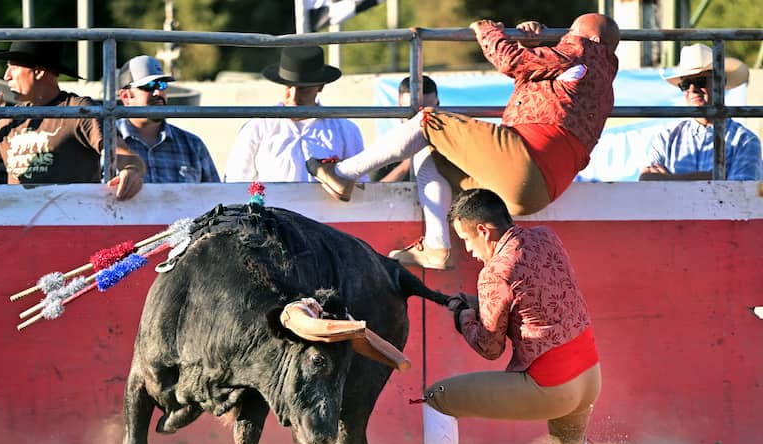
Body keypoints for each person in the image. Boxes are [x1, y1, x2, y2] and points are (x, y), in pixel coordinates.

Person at [307, 13, 620, 268]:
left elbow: (508, 61)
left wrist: (489, 30)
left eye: (571, 33)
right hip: (539, 191)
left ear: (591, 39)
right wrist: (533, 46)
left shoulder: (582, 51)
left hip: (525, 160)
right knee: (433, 157)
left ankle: (342, 175)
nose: (564, 38)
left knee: (431, 120)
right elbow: (541, 89)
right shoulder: (600, 80)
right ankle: (435, 247)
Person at [421, 188, 601, 444]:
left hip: (552, 386)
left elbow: (489, 347)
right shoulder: (547, 237)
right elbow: (530, 302)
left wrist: (464, 318)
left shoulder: (493, 273)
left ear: (483, 231)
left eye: (465, 239)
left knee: (436, 399)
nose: (468, 250)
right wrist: (478, 309)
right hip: (590, 375)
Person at [0, 41, 145, 200]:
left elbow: (126, 156)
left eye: (13, 67)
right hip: (21, 226)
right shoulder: (11, 119)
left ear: (38, 71)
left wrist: (132, 171)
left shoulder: (79, 109)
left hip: (71, 224)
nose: (6, 76)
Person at [223, 46, 364, 182]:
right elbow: (236, 182)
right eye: (289, 86)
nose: (294, 97)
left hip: (326, 207)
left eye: (303, 89)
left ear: (320, 87)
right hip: (269, 206)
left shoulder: (346, 130)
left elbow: (361, 184)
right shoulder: (257, 128)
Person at [639, 43, 761, 181]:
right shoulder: (665, 138)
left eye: (699, 81)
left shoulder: (745, 140)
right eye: (685, 84)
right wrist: (712, 178)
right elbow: (646, 180)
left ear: (721, 83)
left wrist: (668, 180)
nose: (691, 89)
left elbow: (737, 197)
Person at [378, 75, 453, 270]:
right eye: (413, 114)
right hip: (392, 243)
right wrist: (405, 164)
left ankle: (437, 245)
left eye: (429, 112)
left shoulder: (452, 146)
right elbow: (372, 194)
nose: (421, 121)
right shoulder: (385, 148)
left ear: (438, 105)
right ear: (399, 109)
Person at [116, 55, 219, 183]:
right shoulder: (104, 142)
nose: (158, 92)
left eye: (162, 84)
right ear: (125, 96)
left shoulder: (193, 145)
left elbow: (216, 197)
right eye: (149, 85)